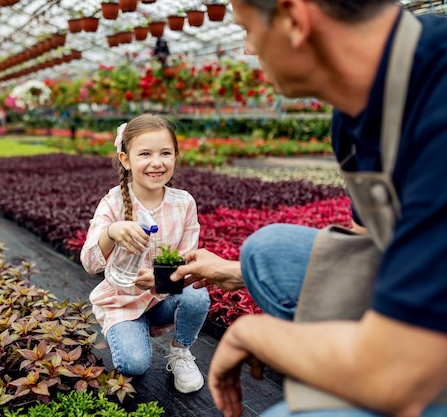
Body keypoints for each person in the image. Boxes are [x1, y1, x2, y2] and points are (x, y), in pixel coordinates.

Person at [171, 1, 447, 416]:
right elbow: (366, 247)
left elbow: (400, 371)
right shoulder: (355, 111)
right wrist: (234, 272)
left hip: (418, 355)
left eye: (247, 29)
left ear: (295, 19)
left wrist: (254, 335)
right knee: (267, 253)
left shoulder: (437, 92)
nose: (246, 49)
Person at [80, 114, 210, 394]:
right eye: (145, 154)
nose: (156, 162)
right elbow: (90, 264)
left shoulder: (183, 203)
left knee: (197, 294)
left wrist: (160, 279)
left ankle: (180, 351)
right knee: (133, 364)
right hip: (122, 302)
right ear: (125, 159)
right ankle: (132, 330)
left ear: (176, 156)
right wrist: (111, 232)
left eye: (165, 153)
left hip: (161, 297)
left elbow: (187, 261)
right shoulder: (113, 203)